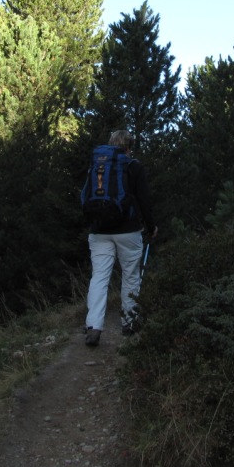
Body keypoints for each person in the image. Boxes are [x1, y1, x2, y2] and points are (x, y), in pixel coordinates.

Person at [84, 129, 156, 347]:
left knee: (99, 277)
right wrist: (151, 226)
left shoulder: (97, 165)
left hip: (99, 231)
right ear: (129, 147)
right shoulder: (134, 166)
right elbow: (144, 200)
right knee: (131, 275)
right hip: (128, 231)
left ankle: (93, 326)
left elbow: (86, 196)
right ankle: (130, 322)